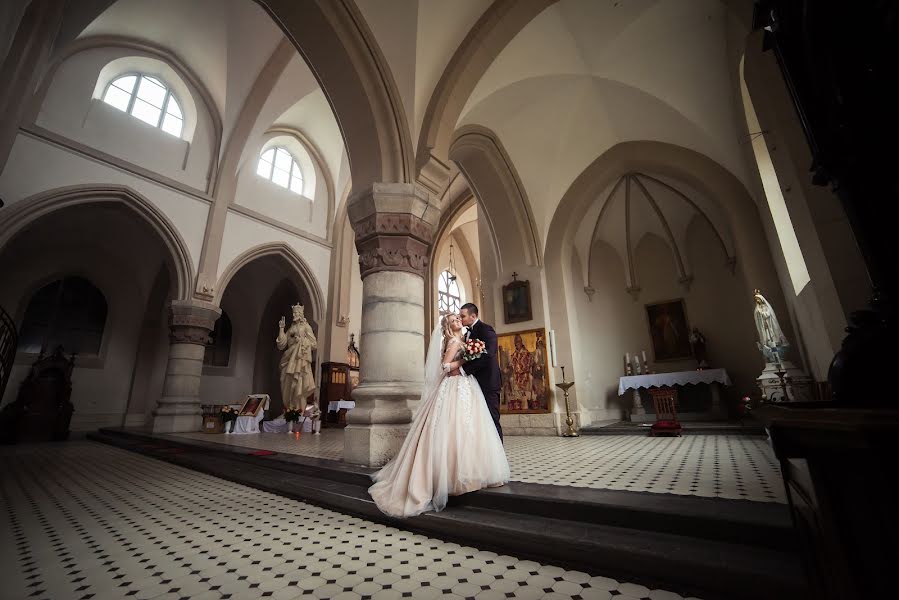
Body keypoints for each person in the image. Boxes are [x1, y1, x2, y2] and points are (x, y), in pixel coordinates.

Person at [368, 313, 510, 518]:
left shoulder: (464, 340)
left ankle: (470, 475)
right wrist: (463, 361)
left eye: (459, 319)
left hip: (466, 387)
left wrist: (468, 357)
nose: (458, 321)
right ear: (448, 327)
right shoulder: (453, 342)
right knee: (452, 429)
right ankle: (450, 478)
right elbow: (445, 366)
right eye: (454, 320)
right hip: (453, 388)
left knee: (468, 429)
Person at [458, 303, 503, 441]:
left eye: (463, 316)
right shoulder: (466, 334)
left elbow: (488, 354)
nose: (460, 319)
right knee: (478, 421)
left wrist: (464, 370)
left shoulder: (486, 330)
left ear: (473, 316)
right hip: (472, 383)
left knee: (492, 419)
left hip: (488, 382)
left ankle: (498, 456)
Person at [276, 304, 317, 412]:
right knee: (284, 382)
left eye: (296, 313)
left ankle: (298, 411)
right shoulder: (291, 328)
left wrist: (302, 341)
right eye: (293, 313)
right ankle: (289, 410)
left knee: (298, 385)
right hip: (289, 359)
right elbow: (282, 344)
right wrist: (281, 329)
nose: (294, 315)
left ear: (301, 314)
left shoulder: (306, 327)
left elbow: (314, 344)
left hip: (299, 360)